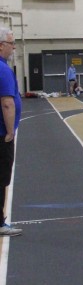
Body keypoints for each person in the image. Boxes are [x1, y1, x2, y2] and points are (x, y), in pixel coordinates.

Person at [0, 30, 21, 236]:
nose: (14, 47)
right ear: (1, 45)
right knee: (2, 179)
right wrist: (10, 131)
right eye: (11, 43)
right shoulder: (3, 70)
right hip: (1, 134)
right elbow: (7, 103)